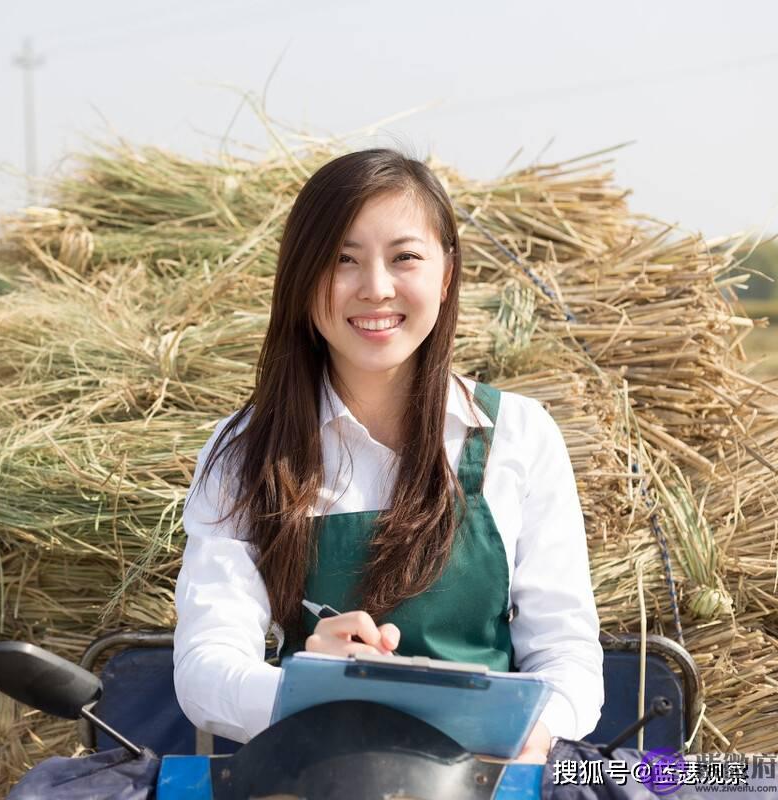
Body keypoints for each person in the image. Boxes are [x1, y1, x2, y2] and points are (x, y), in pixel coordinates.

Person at [171, 148, 603, 764]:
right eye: (342, 260)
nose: (375, 288)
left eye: (405, 258)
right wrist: (313, 689)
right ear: (299, 278)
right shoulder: (245, 451)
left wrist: (530, 729)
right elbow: (207, 668)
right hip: (316, 775)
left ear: (446, 275)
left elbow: (567, 653)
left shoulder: (520, 435)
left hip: (489, 773)